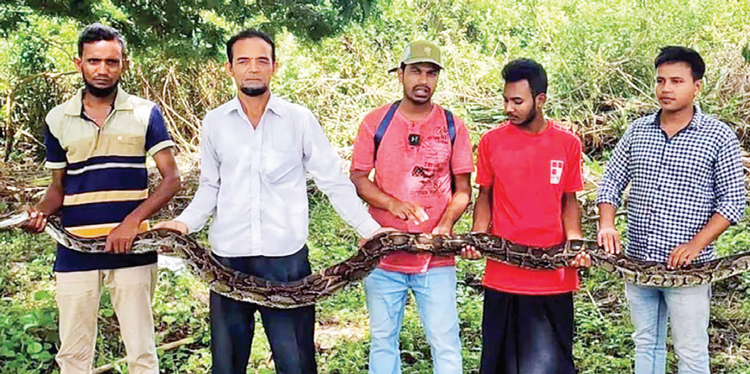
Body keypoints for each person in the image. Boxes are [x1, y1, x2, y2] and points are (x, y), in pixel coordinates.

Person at [154, 29, 384, 374]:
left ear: (274, 67)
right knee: (227, 364)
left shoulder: (299, 119)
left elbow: (332, 181)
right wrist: (183, 224)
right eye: (243, 61)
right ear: (229, 68)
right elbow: (210, 187)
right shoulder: (215, 122)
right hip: (227, 261)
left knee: (297, 363)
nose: (253, 68)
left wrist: (370, 229)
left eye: (262, 60)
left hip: (286, 263)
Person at [21, 23, 181, 374]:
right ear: (79, 63)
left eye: (112, 61)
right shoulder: (56, 119)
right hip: (75, 250)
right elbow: (57, 190)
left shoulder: (145, 112)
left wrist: (132, 223)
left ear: (124, 64)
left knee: (141, 352)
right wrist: (40, 214)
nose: (103, 69)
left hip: (133, 247)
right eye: (95, 61)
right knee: (74, 355)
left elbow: (171, 180)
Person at [596, 46, 745, 374]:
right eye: (660, 80)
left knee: (690, 349)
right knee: (645, 342)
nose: (666, 88)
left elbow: (733, 201)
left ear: (697, 86)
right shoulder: (637, 131)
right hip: (638, 262)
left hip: (689, 270)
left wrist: (696, 245)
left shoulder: (718, 136)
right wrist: (607, 223)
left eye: (676, 81)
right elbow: (610, 183)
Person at [350, 40, 474, 374]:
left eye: (431, 73)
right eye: (416, 71)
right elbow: (359, 179)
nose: (423, 80)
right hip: (383, 257)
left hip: (435, 258)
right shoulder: (376, 122)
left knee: (445, 341)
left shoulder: (452, 125)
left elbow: (463, 190)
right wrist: (392, 203)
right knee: (382, 340)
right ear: (400, 74)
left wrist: (445, 224)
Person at [462, 58, 590, 374]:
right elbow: (485, 196)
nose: (509, 108)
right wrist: (479, 237)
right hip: (503, 274)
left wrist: (575, 245)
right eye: (506, 100)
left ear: (540, 100)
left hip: (553, 277)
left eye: (517, 101)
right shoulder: (492, 142)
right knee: (499, 363)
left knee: (552, 365)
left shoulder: (567, 144)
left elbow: (569, 200)